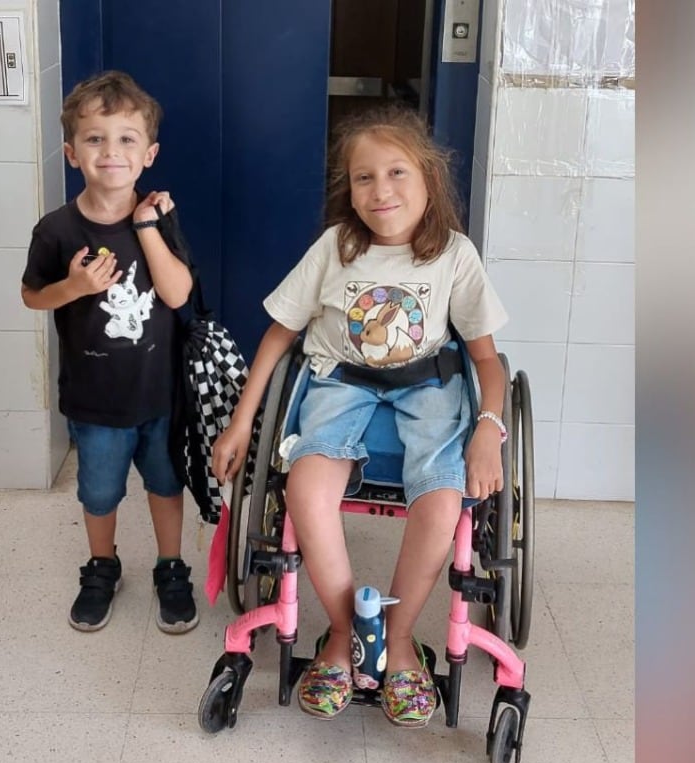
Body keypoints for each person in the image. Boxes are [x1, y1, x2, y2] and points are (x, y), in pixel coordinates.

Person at [211, 106, 510, 726]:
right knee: (304, 490)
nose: (382, 190)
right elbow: (277, 335)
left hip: (427, 387)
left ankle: (399, 643)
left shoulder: (453, 255)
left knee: (443, 499)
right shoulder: (336, 247)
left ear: (429, 179)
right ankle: (345, 638)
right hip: (339, 383)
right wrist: (242, 422)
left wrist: (489, 429)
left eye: (397, 172)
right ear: (349, 191)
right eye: (364, 178)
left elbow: (487, 359)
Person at [21, 70, 198, 634]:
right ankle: (102, 566)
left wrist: (147, 227)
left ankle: (170, 567)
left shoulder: (160, 217)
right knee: (98, 490)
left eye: (126, 139)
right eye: (96, 139)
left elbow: (176, 293)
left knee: (167, 484)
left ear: (149, 153)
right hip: (93, 400)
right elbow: (31, 296)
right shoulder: (55, 231)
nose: (111, 151)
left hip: (160, 393)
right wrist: (74, 288)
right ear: (72, 153)